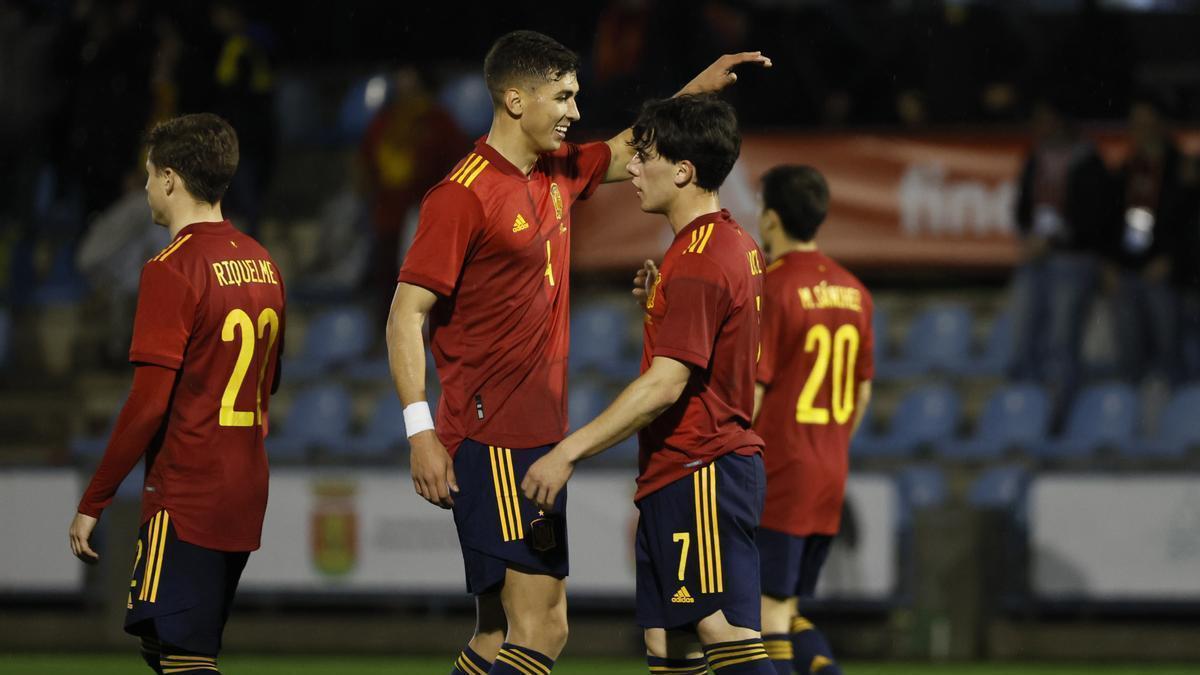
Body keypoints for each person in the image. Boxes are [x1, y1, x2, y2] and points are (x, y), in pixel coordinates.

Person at [386, 29, 769, 675]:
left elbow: (640, 151)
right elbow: (404, 313)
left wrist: (694, 92)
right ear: (515, 99)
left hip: (530, 433)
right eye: (562, 97)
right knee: (542, 628)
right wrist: (418, 429)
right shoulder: (462, 194)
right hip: (498, 435)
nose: (574, 111)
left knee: (496, 632)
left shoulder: (558, 171)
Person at [522, 94, 773, 675]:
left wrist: (567, 451)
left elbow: (665, 386)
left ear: (684, 170)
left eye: (646, 156)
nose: (631, 168)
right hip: (677, 473)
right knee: (670, 645)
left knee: (725, 631)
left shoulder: (702, 259)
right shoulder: (717, 245)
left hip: (702, 470)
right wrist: (665, 306)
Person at [67, 113, 286, 675]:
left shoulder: (172, 268)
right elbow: (271, 381)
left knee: (183, 656)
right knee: (169, 647)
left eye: (147, 175)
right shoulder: (262, 261)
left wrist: (94, 500)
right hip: (244, 487)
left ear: (169, 179)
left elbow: (147, 404)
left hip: (188, 493)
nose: (143, 188)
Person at [751, 165, 873, 675]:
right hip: (829, 471)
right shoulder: (855, 292)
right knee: (786, 605)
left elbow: (753, 391)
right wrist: (832, 444)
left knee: (763, 611)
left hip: (781, 469)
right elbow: (863, 389)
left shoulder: (773, 288)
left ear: (771, 219)